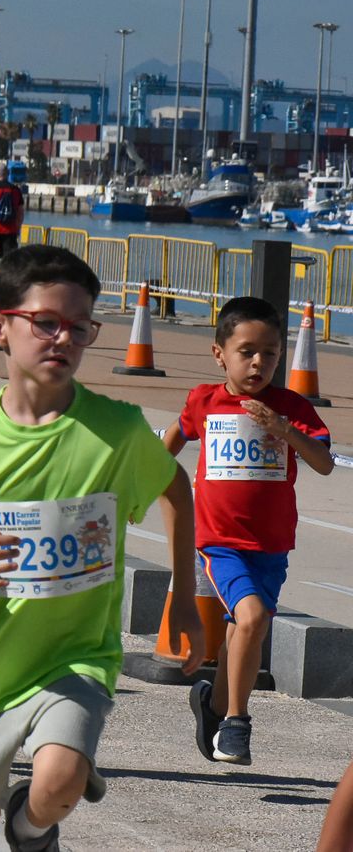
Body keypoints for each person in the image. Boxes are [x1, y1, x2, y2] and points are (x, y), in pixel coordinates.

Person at [0, 246, 204, 852]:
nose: (63, 339)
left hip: (77, 656)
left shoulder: (116, 429)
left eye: (79, 327)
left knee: (61, 780)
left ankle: (31, 828)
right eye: (46, 323)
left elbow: (175, 487)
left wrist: (183, 596)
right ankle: (5, 816)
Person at [164, 296, 332, 767]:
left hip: (272, 544)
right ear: (220, 353)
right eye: (247, 351)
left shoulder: (291, 407)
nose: (260, 362)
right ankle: (237, 724)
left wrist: (286, 431)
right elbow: (172, 441)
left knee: (246, 630)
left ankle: (212, 705)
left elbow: (322, 463)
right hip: (220, 542)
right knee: (252, 618)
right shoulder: (205, 401)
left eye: (271, 353)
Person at [0, 159, 26, 264]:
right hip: (10, 232)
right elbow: (20, 214)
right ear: (8, 173)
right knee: (10, 263)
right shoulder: (16, 190)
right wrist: (17, 229)